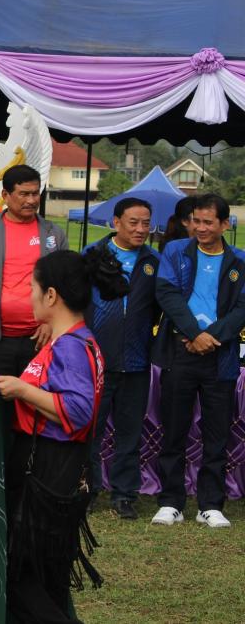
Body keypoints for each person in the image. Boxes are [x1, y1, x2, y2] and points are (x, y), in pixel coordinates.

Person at [0, 249, 122, 624]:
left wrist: (21, 390)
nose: (29, 295)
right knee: (43, 576)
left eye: (33, 287)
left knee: (24, 578)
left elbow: (79, 411)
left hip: (49, 469)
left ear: (51, 295)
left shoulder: (72, 346)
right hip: (52, 467)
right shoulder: (71, 339)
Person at [151, 193, 245, 529]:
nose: (200, 228)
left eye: (208, 222)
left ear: (224, 224)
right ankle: (171, 501)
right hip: (181, 350)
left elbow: (242, 308)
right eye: (196, 221)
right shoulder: (176, 251)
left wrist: (209, 337)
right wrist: (194, 333)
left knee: (216, 432)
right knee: (174, 427)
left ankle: (210, 504)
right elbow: (166, 293)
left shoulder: (239, 260)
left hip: (220, 355)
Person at [0, 164, 67, 420]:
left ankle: (28, 451)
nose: (31, 200)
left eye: (35, 193)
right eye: (24, 194)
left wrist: (51, 323)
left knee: (35, 410)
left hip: (40, 340)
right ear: (5, 195)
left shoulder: (53, 234)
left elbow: (64, 284)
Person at [84, 197, 159, 520]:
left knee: (130, 432)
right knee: (91, 430)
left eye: (146, 223)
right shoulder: (92, 255)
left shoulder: (154, 261)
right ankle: (86, 490)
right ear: (116, 223)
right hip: (96, 361)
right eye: (133, 223)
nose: (141, 229)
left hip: (137, 360)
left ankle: (124, 494)